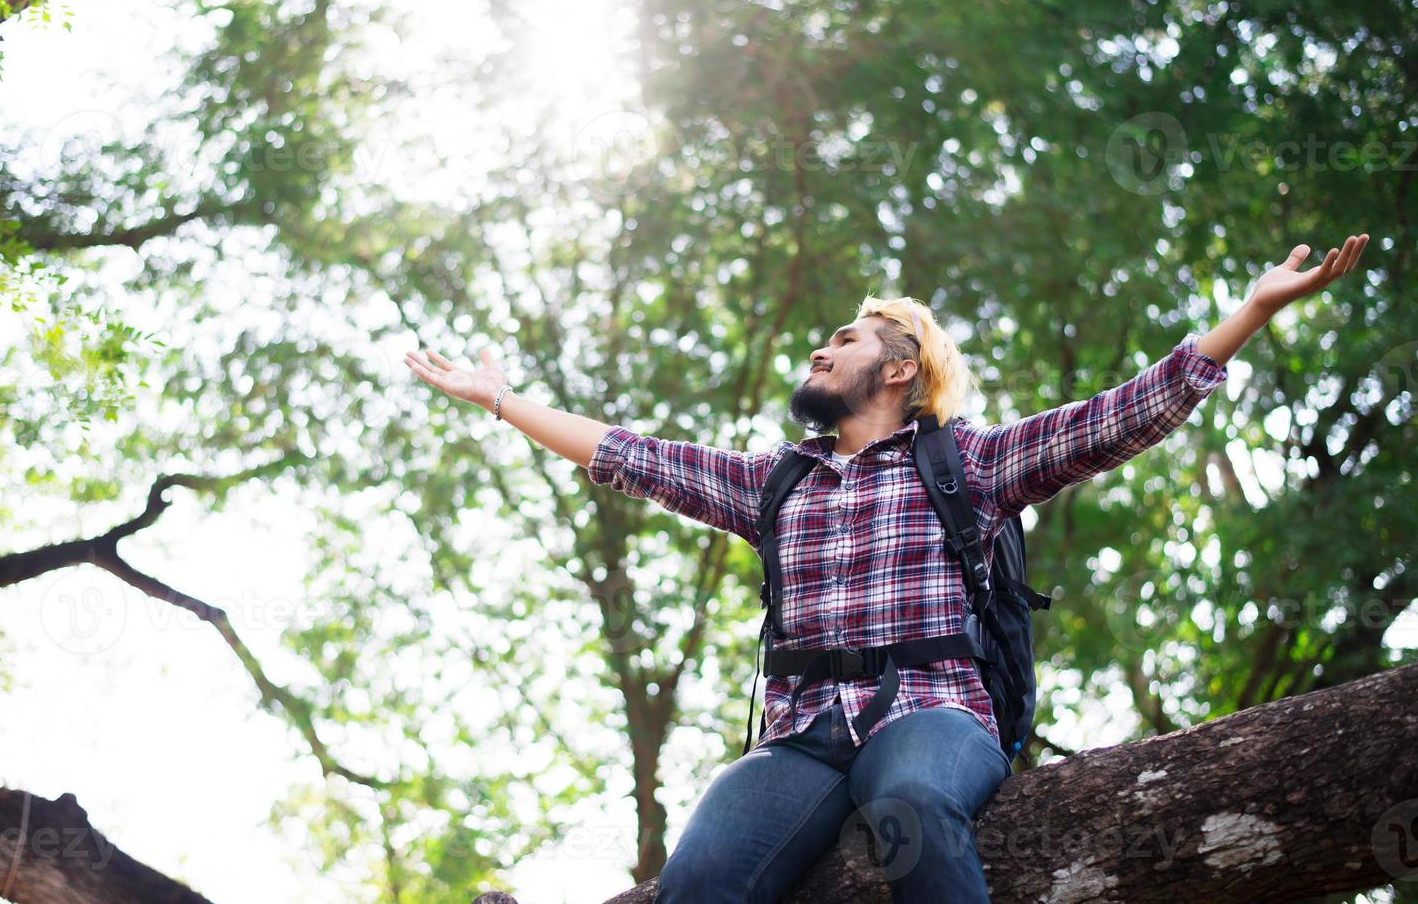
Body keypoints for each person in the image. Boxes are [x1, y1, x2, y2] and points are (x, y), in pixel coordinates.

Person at [404, 234, 1368, 903]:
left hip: (934, 717)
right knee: (697, 879)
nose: (821, 350)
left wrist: (1246, 312)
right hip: (801, 739)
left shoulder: (969, 464)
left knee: (906, 804)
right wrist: (503, 402)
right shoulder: (771, 485)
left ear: (898, 370)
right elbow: (628, 454)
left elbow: (1118, 418)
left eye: (845, 341)